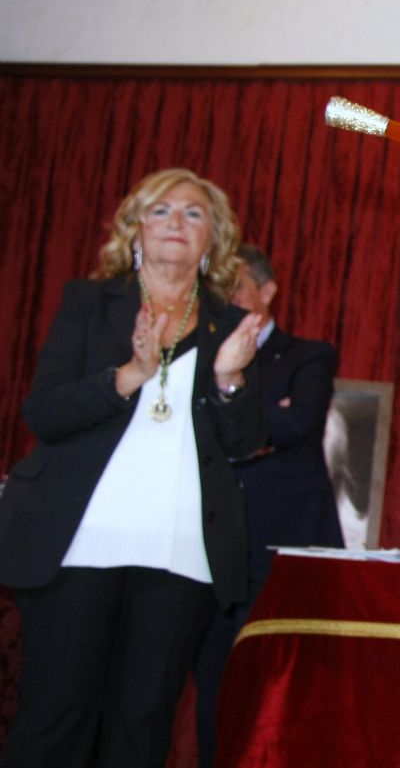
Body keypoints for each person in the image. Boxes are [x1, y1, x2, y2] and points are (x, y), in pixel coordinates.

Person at [0, 168, 266, 768]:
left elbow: (246, 442)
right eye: (161, 210)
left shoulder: (228, 325)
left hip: (179, 552)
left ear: (213, 239)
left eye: (194, 214)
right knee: (54, 722)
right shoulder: (90, 303)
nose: (176, 223)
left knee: (141, 729)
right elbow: (44, 412)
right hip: (80, 543)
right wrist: (129, 376)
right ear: (136, 229)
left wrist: (230, 378)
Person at [191, 244, 341, 768]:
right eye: (216, 291)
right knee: (211, 684)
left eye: (234, 288)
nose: (224, 300)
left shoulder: (308, 355)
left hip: (281, 548)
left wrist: (230, 413)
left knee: (275, 689)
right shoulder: (197, 356)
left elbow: (297, 423)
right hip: (209, 546)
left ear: (267, 290)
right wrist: (255, 420)